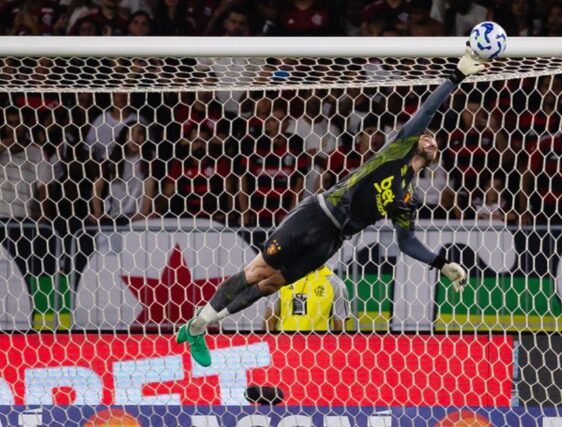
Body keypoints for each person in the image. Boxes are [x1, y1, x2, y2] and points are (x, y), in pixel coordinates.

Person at [177, 48, 486, 367]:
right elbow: (426, 112)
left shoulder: (407, 198)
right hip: (316, 214)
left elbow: (406, 242)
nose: (432, 140)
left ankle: (198, 327)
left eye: (436, 140)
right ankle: (199, 325)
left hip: (331, 241)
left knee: (270, 285)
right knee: (257, 271)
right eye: (427, 137)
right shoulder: (394, 152)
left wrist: (442, 263)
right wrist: (456, 76)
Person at [263, 266, 349, 332]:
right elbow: (269, 322)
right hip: (286, 349)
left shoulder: (336, 284)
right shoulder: (283, 278)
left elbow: (340, 331)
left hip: (318, 351)